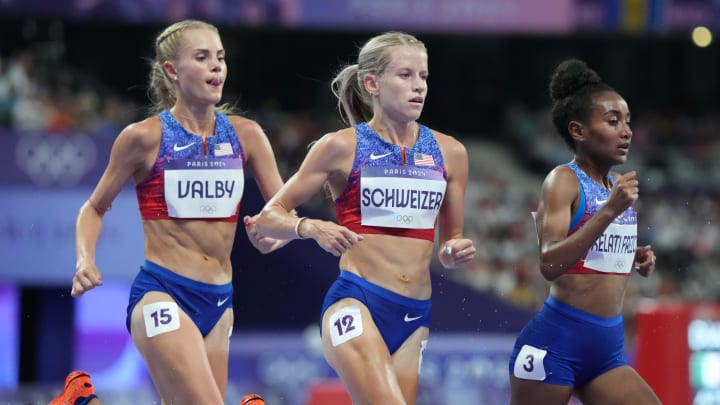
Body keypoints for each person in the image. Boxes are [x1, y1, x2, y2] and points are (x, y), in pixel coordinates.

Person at [251, 31, 476, 405]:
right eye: (405, 75)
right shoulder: (341, 146)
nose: (418, 86)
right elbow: (266, 216)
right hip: (356, 303)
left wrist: (453, 253)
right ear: (372, 83)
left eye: (423, 76)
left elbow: (450, 242)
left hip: (414, 314)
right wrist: (310, 227)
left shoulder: (451, 153)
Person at [70, 19, 286, 404]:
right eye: (201, 58)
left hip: (220, 302)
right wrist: (85, 259)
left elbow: (282, 211)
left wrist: (275, 234)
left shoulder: (247, 135)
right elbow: (94, 208)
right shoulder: (144, 138)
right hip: (162, 293)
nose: (216, 66)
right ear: (171, 70)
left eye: (220, 57)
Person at [508, 58, 661, 404]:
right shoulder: (563, 180)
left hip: (605, 351)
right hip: (556, 344)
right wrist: (609, 211)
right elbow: (550, 263)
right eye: (612, 121)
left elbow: (590, 253)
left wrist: (631, 257)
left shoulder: (617, 186)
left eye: (627, 121)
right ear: (578, 131)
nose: (627, 131)